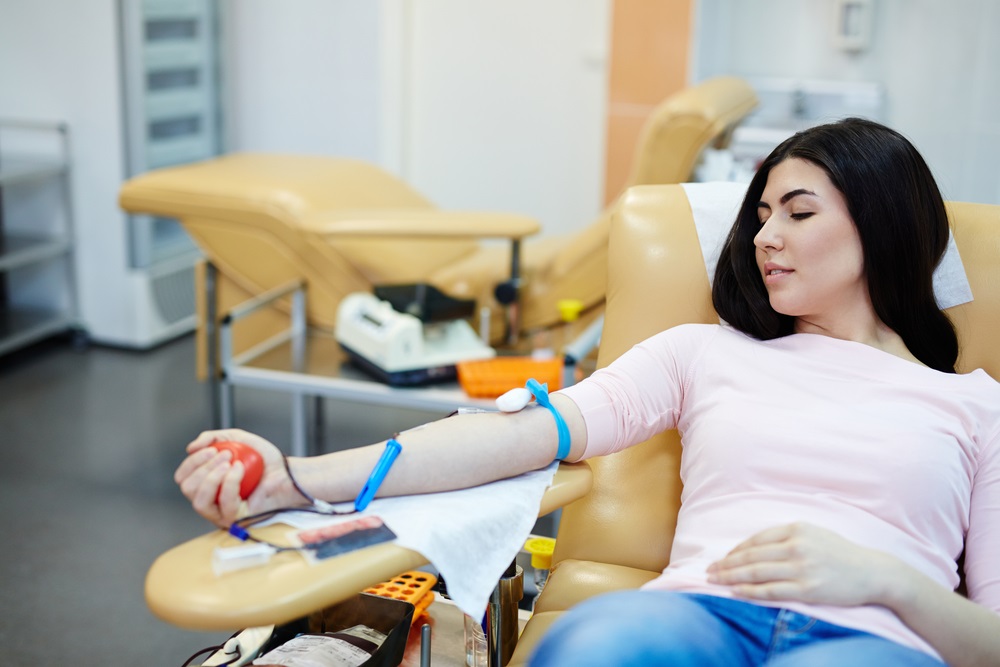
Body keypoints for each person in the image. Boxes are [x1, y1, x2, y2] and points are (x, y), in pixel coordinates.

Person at [175, 118, 1000, 667]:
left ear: (884, 221)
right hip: (694, 617)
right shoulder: (704, 353)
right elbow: (524, 432)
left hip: (873, 636)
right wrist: (296, 475)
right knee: (595, 645)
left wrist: (887, 580)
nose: (764, 237)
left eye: (797, 210)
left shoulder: (974, 405)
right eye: (758, 215)